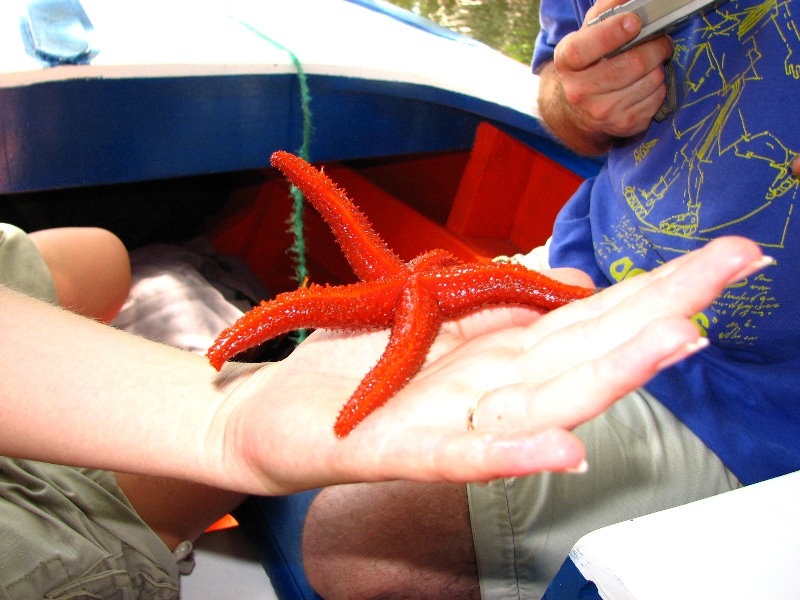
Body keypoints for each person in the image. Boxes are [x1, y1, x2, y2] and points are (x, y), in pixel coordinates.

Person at [300, 1, 800, 598]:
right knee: (312, 381)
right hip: (582, 266)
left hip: (757, 396)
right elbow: (560, 99)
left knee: (357, 545)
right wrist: (583, 94)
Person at [0, 214, 767, 598]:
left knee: (100, 253)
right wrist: (225, 420)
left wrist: (222, 421)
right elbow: (438, 291)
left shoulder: (419, 289)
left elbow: (469, 286)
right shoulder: (418, 293)